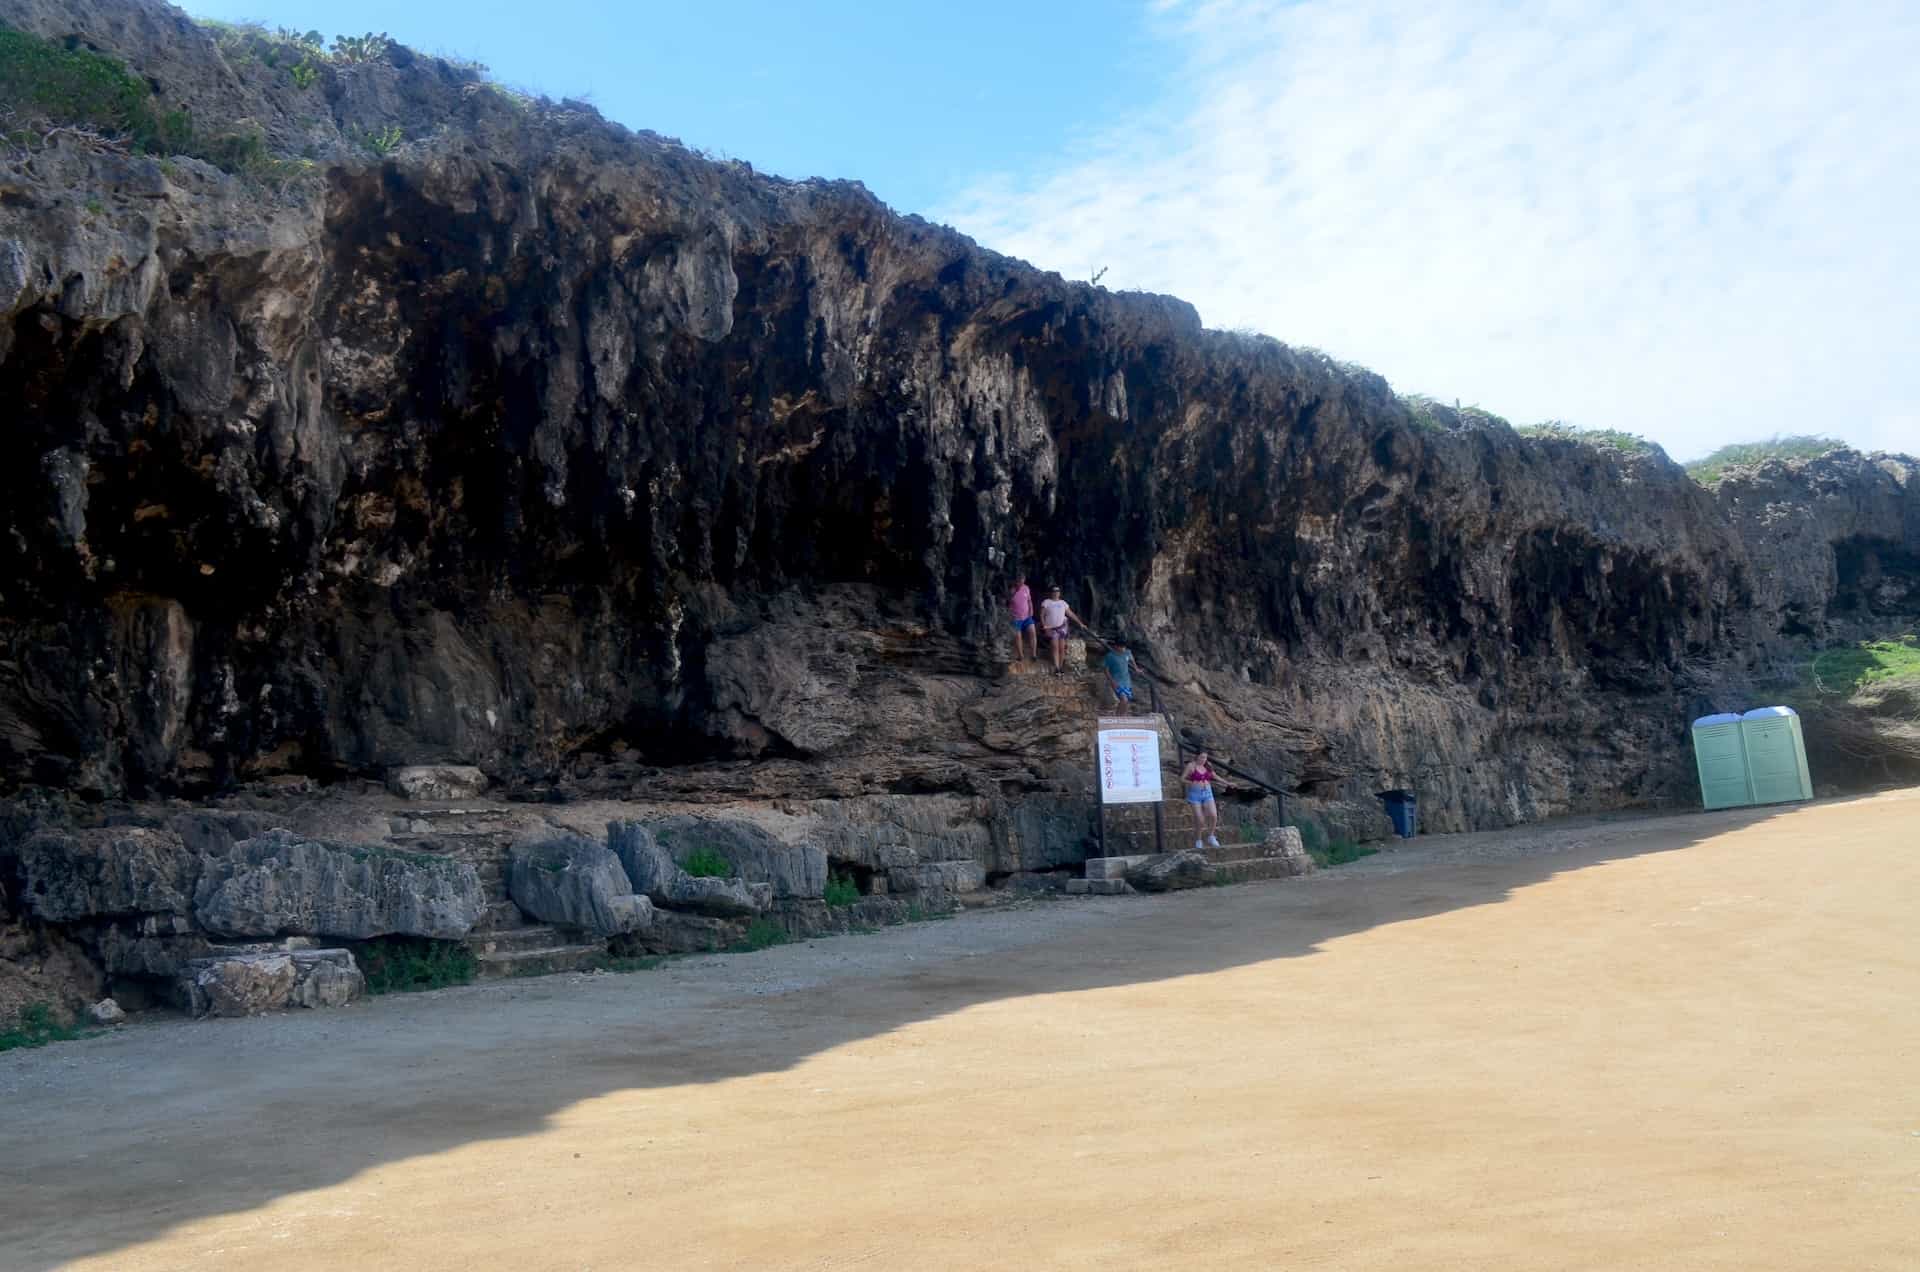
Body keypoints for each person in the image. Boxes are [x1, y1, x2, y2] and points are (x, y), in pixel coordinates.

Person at [1037, 585, 1088, 674]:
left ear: (1059, 593)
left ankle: (1061, 667)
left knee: (1062, 648)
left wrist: (1080, 623)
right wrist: (1044, 626)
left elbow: (1071, 614)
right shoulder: (1046, 602)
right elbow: (1041, 615)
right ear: (1051, 592)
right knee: (1055, 647)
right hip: (1052, 628)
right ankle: (1056, 667)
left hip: (1062, 627)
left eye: (1058, 591)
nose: (1056, 593)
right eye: (1054, 591)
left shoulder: (1063, 603)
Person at [1182, 750, 1222, 849]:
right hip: (1195, 795)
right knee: (1200, 819)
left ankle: (1211, 836)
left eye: (1205, 757)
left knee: (1213, 815)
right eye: (1201, 757)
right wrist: (1192, 783)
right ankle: (1198, 839)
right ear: (1196, 757)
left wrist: (1228, 783)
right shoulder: (1191, 766)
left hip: (1207, 793)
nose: (1203, 760)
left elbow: (1215, 776)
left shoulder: (1208, 765)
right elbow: (1182, 779)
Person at [1008, 574, 1037, 664]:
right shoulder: (1011, 590)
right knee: (1018, 636)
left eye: (1022, 580)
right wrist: (1013, 592)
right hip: (1016, 617)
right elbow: (1007, 602)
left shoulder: (1026, 588)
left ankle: (1034, 654)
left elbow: (1029, 601)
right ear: (1016, 581)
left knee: (1032, 632)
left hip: (1027, 616)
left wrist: (1031, 609)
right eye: (1019, 580)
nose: (1021, 582)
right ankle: (1020, 655)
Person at [1103, 639, 1137, 714]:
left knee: (1127, 702)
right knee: (1123, 700)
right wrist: (1112, 681)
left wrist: (1136, 669)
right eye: (1121, 647)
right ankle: (1117, 718)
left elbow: (1132, 659)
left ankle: (1122, 718)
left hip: (1127, 681)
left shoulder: (1127, 652)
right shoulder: (1110, 656)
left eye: (1124, 647)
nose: (1123, 649)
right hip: (1117, 681)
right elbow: (1106, 670)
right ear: (1116, 646)